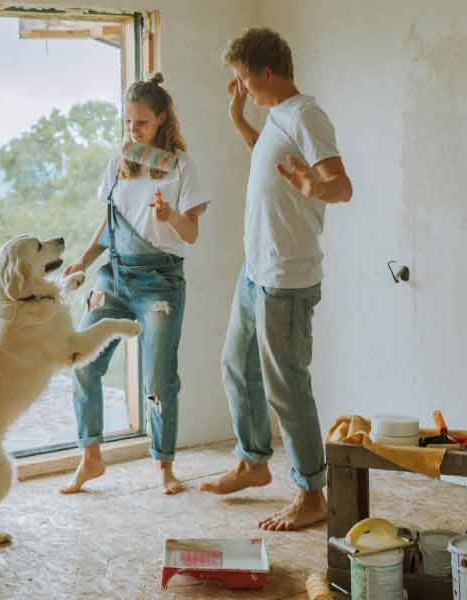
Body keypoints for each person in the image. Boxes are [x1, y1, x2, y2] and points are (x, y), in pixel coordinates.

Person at [199, 28, 353, 531]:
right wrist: (237, 118)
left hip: (286, 278)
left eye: (242, 80)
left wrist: (314, 185)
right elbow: (265, 156)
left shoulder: (307, 115)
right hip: (256, 271)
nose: (240, 87)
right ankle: (253, 462)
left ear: (267, 73)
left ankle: (311, 493)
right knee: (237, 368)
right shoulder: (275, 118)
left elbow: (341, 186)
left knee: (287, 387)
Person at [59, 73, 208, 496]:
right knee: (82, 360)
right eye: (127, 122)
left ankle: (164, 466)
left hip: (160, 283)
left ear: (161, 119)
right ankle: (90, 459)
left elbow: (192, 233)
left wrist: (170, 217)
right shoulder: (118, 165)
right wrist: (85, 262)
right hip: (115, 276)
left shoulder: (180, 167)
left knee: (159, 380)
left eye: (141, 123)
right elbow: (110, 225)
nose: (132, 130)